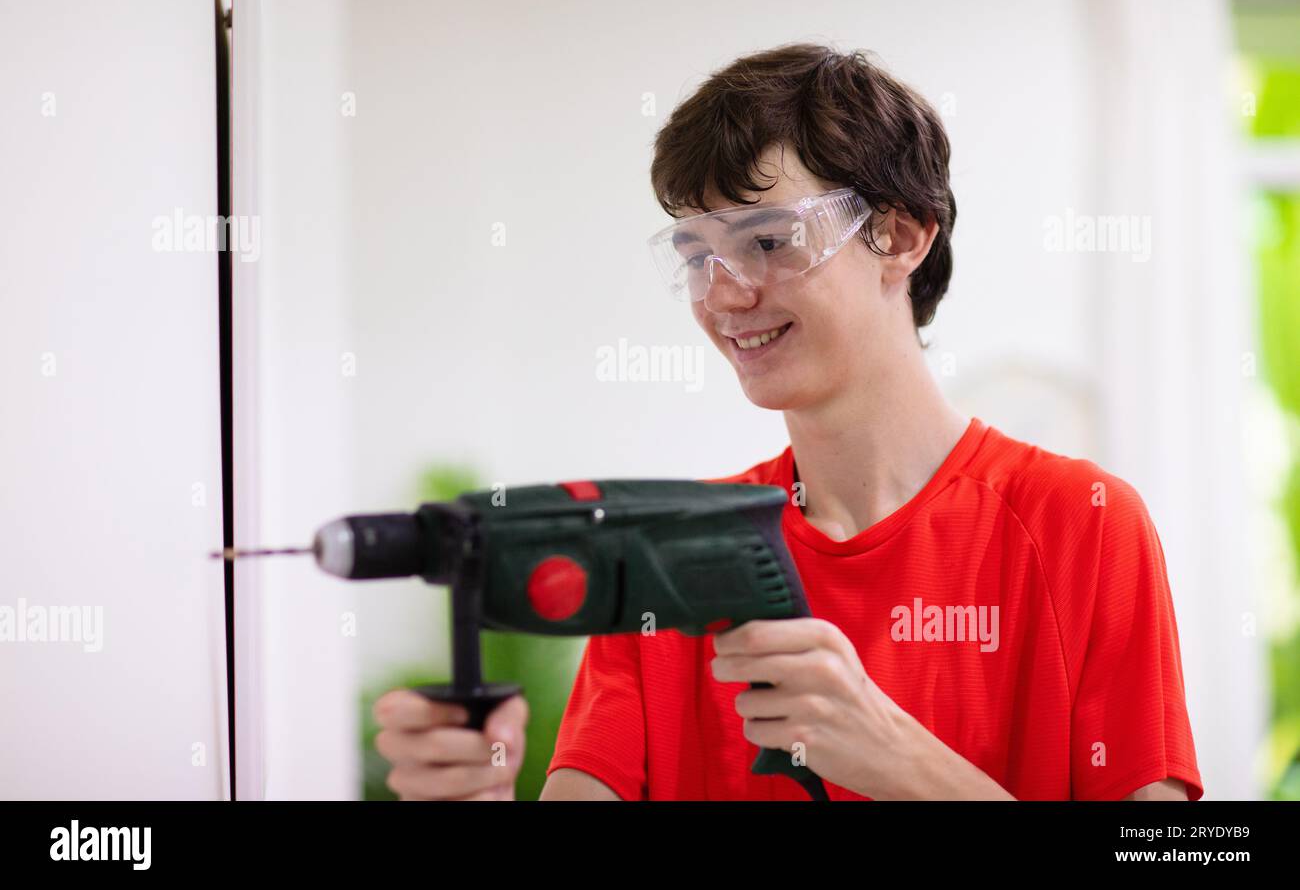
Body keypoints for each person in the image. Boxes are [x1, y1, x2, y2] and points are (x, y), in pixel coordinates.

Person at [373, 43, 1203, 801]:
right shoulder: (664, 557)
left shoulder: (1084, 526)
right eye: (697, 255)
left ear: (901, 235)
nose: (723, 296)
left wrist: (898, 761)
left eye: (768, 241)